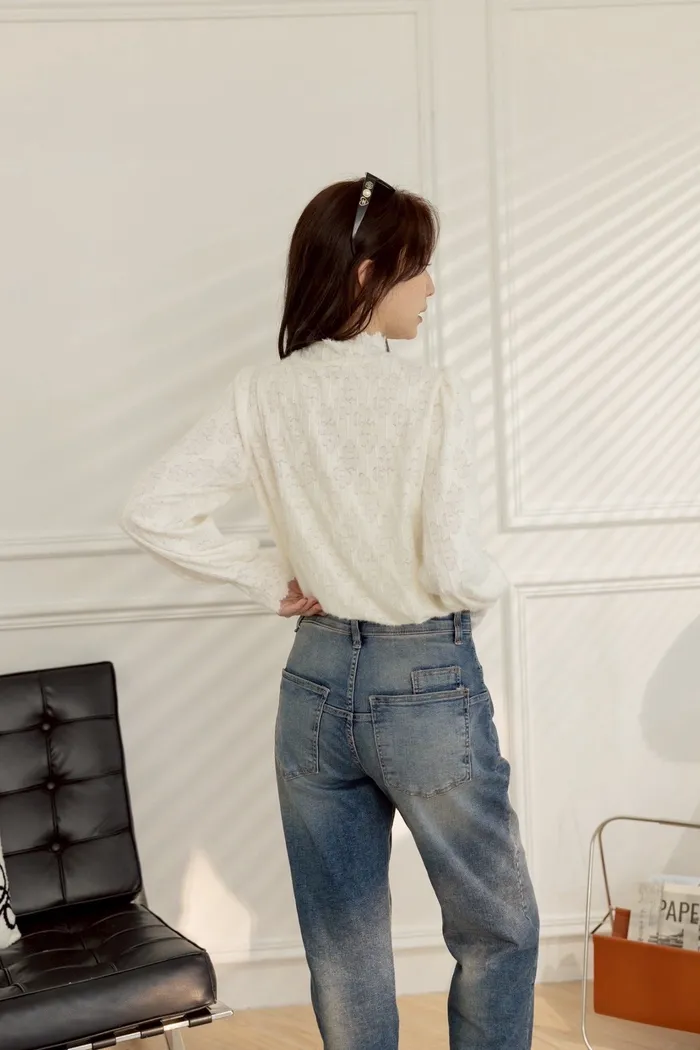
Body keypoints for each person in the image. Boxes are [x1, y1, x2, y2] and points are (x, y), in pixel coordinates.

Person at [121, 173, 539, 1050]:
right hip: (425, 681)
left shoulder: (262, 394)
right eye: (418, 268)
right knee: (495, 927)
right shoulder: (431, 393)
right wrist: (495, 583)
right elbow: (451, 562)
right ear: (366, 274)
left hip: (311, 688)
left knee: (344, 945)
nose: (432, 288)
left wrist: (267, 575)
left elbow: (153, 508)